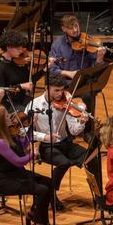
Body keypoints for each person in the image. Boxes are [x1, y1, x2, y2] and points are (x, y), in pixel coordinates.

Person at [29, 74, 102, 203]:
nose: (60, 94)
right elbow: (25, 132)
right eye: (56, 90)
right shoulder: (34, 105)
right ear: (46, 88)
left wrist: (81, 122)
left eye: (62, 90)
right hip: (46, 146)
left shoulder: (66, 103)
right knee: (64, 163)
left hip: (65, 143)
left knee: (92, 158)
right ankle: (51, 194)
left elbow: (74, 130)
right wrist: (45, 136)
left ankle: (99, 197)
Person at [0, 105, 56, 225]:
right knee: (42, 190)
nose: (11, 117)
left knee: (49, 182)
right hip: (4, 179)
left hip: (17, 173)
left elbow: (23, 146)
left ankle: (33, 214)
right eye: (7, 116)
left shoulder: (8, 133)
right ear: (1, 121)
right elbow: (18, 161)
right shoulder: (0, 142)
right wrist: (33, 155)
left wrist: (31, 127)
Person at [0, 30, 44, 112]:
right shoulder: (0, 66)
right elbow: (0, 90)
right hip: (8, 103)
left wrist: (44, 70)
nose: (21, 51)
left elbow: (28, 81)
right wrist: (20, 86)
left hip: (21, 98)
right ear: (9, 47)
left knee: (41, 109)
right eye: (18, 48)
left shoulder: (17, 62)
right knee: (30, 114)